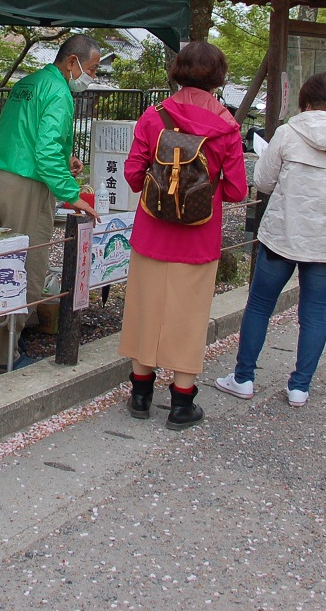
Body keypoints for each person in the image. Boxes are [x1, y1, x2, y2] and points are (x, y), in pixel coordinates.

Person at [215, 72, 326, 408]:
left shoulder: (288, 132)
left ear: (306, 102)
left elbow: (263, 181)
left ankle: (243, 378)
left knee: (260, 306)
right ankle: (300, 387)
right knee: (314, 313)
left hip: (283, 236)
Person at [118, 42, 247, 430]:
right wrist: (204, 193)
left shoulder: (154, 116)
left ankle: (140, 393)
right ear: (218, 76)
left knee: (145, 307)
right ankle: (181, 402)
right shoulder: (227, 125)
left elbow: (133, 175)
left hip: (152, 229)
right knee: (188, 316)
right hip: (198, 235)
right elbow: (239, 190)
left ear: (177, 70)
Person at [0, 35, 101, 369]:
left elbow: (27, 135)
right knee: (25, 268)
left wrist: (67, 159)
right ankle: (4, 355)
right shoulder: (60, 93)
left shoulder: (28, 83)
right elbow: (46, 151)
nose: (93, 76)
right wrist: (73, 194)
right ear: (72, 63)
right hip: (26, 184)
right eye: (92, 69)